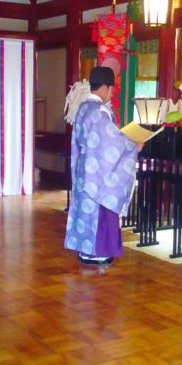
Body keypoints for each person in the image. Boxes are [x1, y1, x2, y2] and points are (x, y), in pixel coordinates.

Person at [64, 66, 142, 266]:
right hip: (98, 173)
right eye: (112, 88)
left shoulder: (82, 107)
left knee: (85, 213)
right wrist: (134, 145)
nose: (112, 93)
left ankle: (84, 251)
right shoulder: (99, 111)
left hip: (84, 171)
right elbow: (112, 142)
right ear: (106, 87)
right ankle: (97, 252)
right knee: (100, 212)